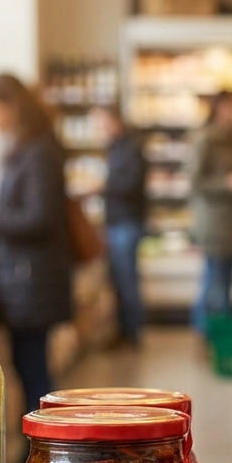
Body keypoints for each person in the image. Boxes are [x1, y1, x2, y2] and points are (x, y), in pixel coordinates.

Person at [0, 72, 71, 415]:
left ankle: (44, 451)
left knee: (33, 369)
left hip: (32, 277)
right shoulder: (28, 148)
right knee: (28, 365)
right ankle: (40, 449)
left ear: (11, 106)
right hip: (26, 276)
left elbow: (40, 217)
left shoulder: (39, 152)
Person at [189, 91, 232, 334]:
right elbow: (195, 181)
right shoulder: (206, 138)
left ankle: (223, 336)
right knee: (213, 281)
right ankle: (204, 334)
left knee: (226, 281)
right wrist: (227, 182)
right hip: (214, 221)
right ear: (218, 107)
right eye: (231, 105)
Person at [97, 105, 146, 347]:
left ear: (114, 119)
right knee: (117, 279)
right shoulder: (115, 147)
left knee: (127, 280)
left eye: (101, 121)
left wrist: (101, 188)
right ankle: (123, 331)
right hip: (115, 221)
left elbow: (131, 184)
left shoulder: (132, 147)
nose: (99, 127)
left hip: (127, 221)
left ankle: (132, 333)